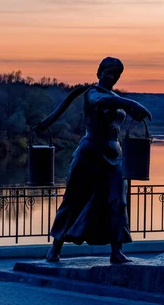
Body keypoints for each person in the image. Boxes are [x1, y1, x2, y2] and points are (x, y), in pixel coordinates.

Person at [45, 57, 152, 263]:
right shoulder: (92, 93)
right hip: (90, 153)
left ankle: (116, 251)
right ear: (99, 73)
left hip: (114, 154)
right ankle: (55, 247)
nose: (113, 77)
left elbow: (119, 106)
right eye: (109, 73)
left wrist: (133, 111)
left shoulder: (114, 96)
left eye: (117, 75)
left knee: (117, 202)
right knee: (74, 199)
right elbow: (104, 102)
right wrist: (131, 102)